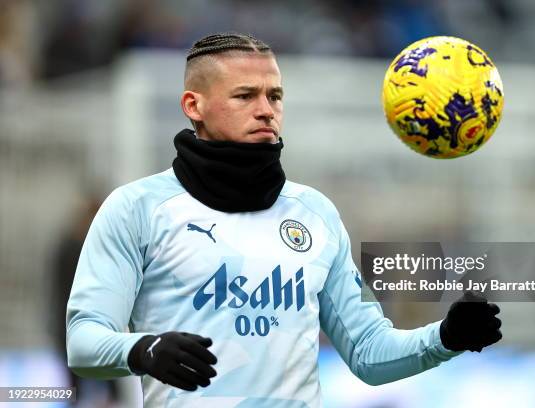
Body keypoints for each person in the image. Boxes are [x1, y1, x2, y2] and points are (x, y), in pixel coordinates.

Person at [66, 32, 502, 407]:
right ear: (193, 105)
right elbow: (83, 340)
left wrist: (446, 337)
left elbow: (368, 352)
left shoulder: (314, 214)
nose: (266, 110)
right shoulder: (137, 208)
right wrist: (142, 349)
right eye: (245, 95)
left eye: (274, 95)